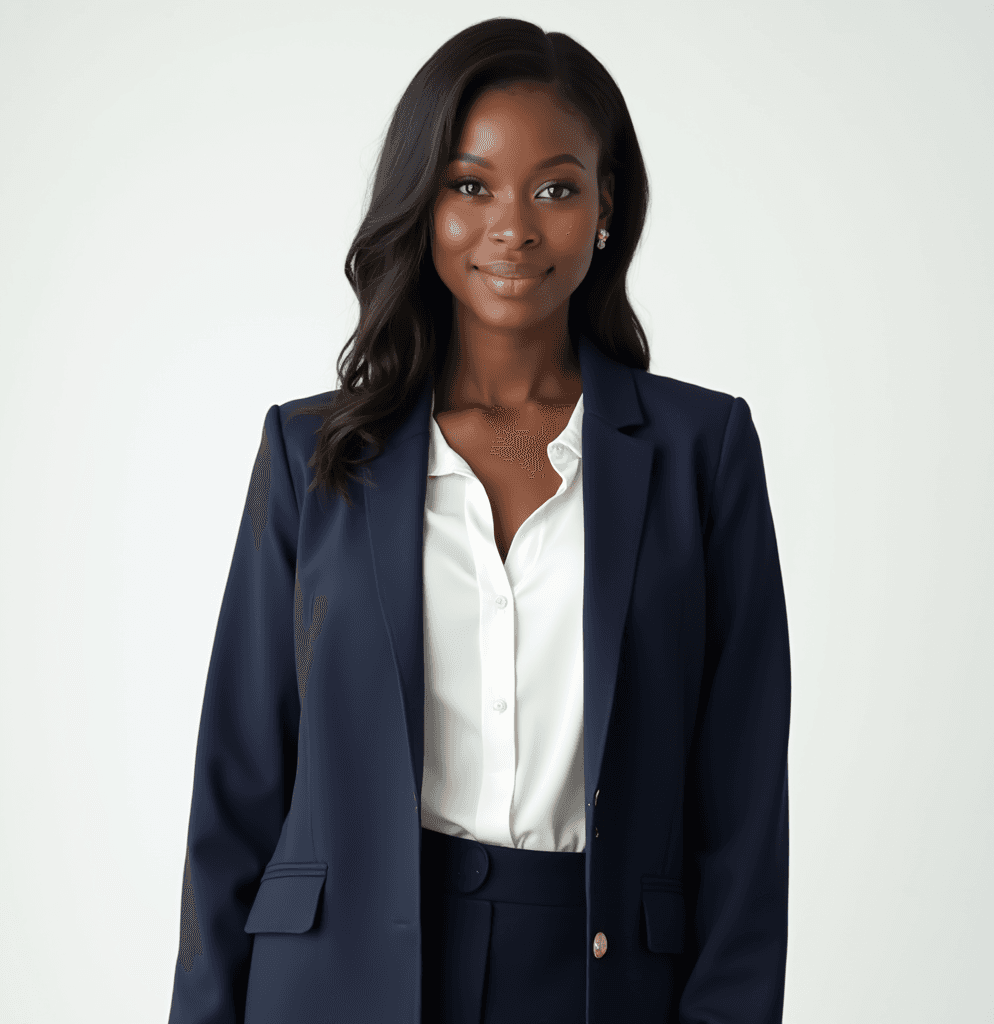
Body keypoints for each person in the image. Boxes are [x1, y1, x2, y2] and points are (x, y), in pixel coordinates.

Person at [168, 17, 790, 1024]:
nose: (513, 225)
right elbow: (235, 788)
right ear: (425, 207)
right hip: (335, 982)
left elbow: (741, 808)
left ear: (603, 208)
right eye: (469, 185)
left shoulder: (700, 451)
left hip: (598, 980)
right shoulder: (316, 454)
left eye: (554, 187)